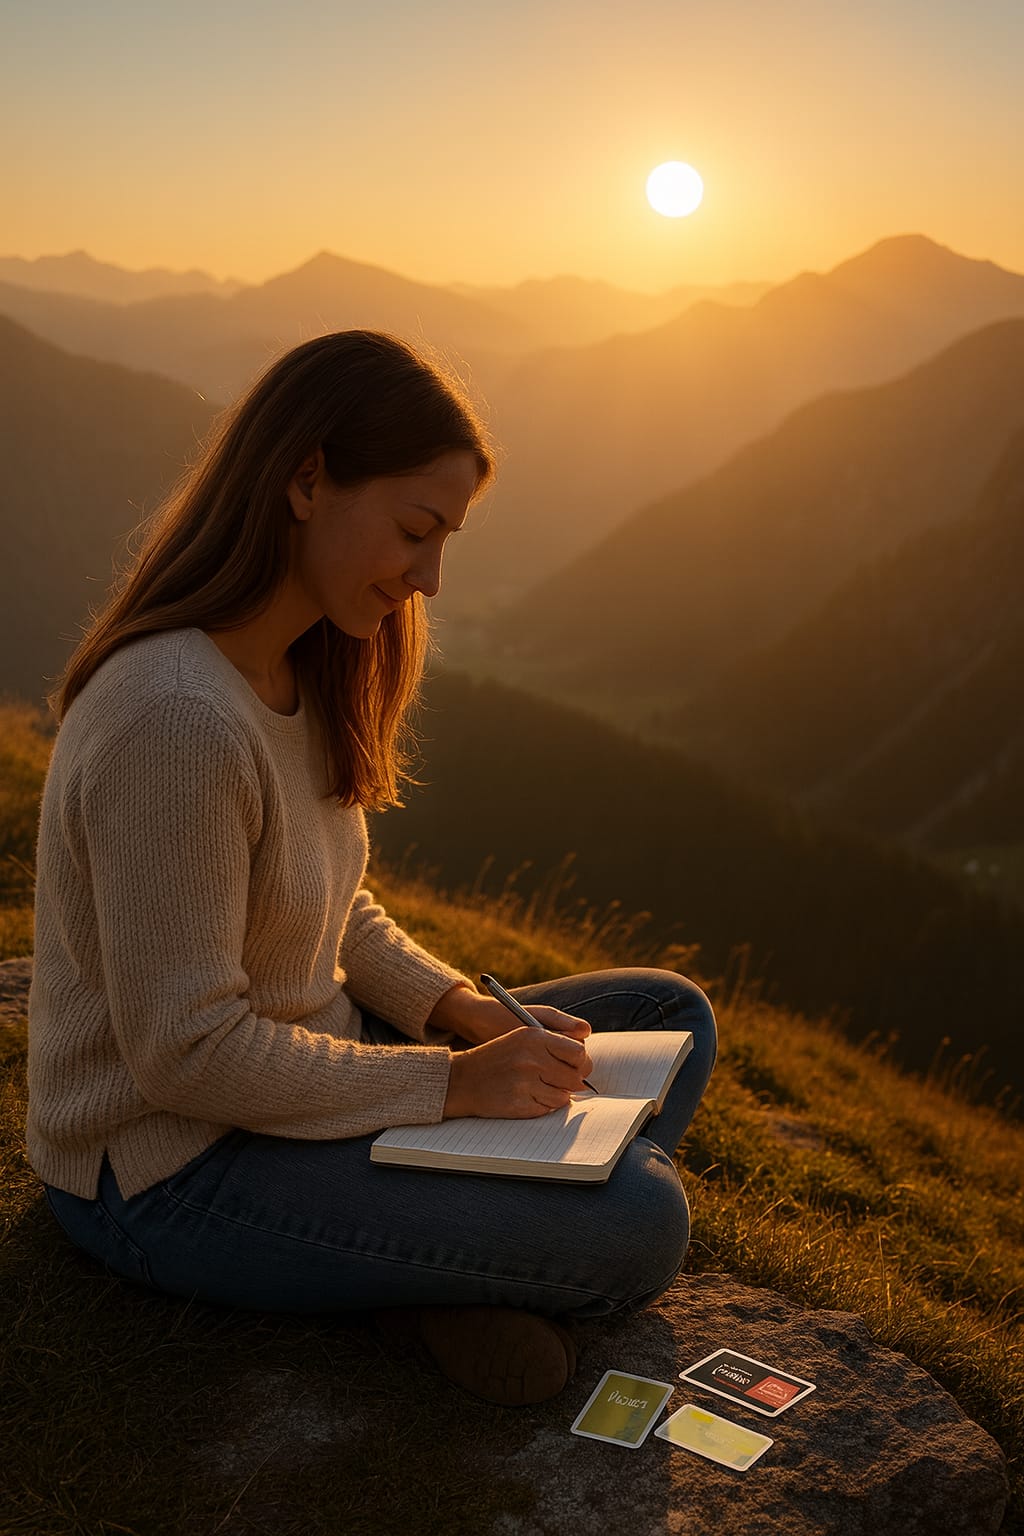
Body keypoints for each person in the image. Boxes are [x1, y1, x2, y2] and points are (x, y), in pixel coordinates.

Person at [27, 330, 717, 1407]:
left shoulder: (298, 669)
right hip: (172, 1168)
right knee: (640, 1223)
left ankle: (413, 1262)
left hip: (307, 1075)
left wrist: (461, 1014)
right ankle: (421, 1272)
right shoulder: (174, 720)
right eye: (413, 529)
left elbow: (336, 908)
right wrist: (446, 1085)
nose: (429, 576)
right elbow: (183, 1054)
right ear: (306, 481)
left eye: (446, 539)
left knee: (666, 1014)